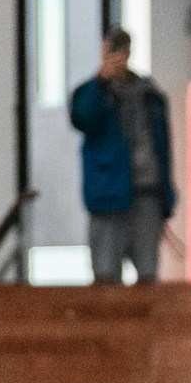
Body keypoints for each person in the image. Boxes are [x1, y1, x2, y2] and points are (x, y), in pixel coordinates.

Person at [69, 27, 175, 284]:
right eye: (112, 48)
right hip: (108, 197)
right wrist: (101, 80)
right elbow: (82, 118)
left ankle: (148, 327)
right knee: (106, 278)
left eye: (123, 47)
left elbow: (163, 149)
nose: (119, 54)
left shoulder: (150, 95)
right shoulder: (92, 92)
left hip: (148, 194)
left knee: (148, 278)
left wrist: (167, 196)